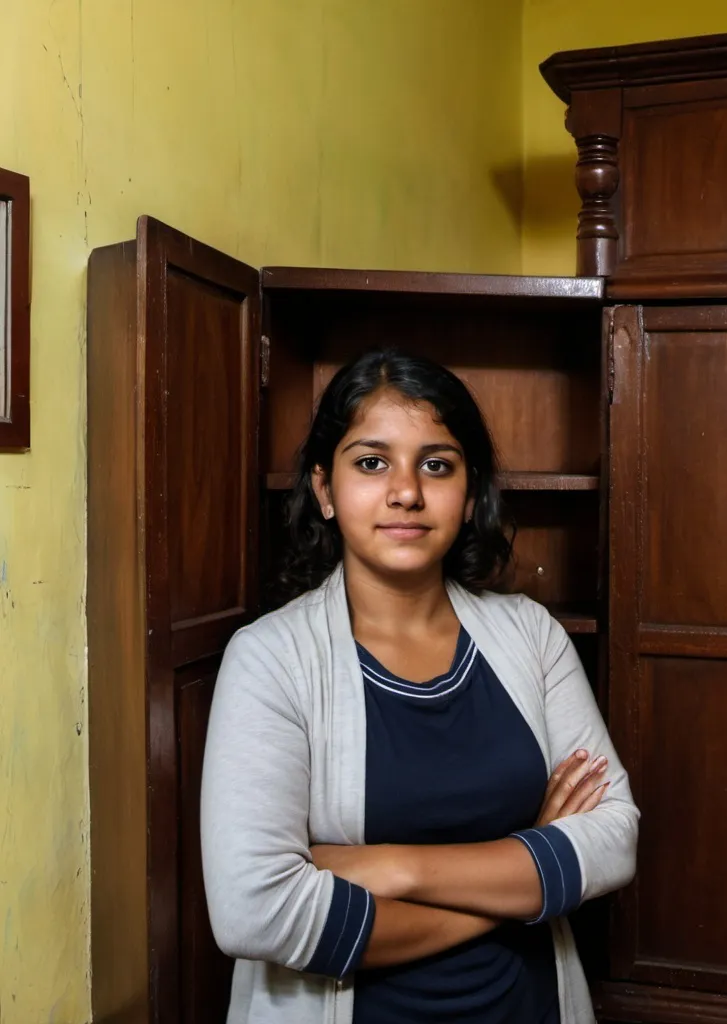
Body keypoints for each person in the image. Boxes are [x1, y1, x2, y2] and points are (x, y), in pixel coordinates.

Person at [200, 349, 639, 1024]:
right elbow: (254, 912)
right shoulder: (269, 660)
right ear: (323, 488)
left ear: (469, 496)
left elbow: (611, 841)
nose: (406, 491)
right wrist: (525, 874)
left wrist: (396, 868)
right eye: (371, 462)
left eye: (436, 464)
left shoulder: (531, 636)